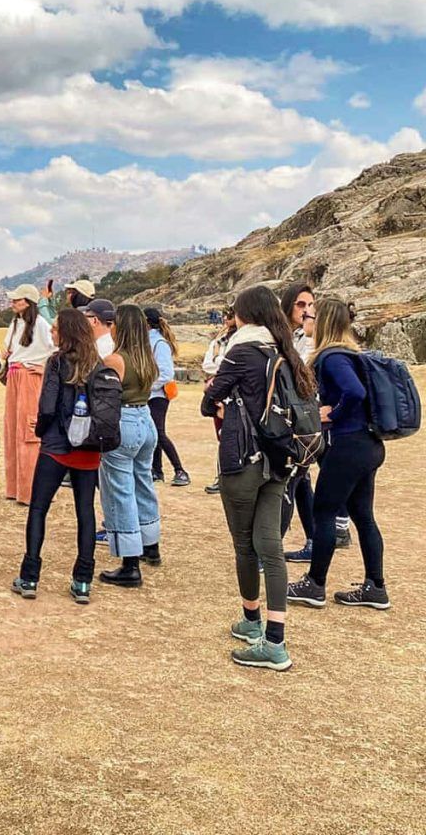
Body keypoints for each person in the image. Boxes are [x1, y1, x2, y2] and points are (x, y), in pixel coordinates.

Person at [201, 284, 315, 671]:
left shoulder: (242, 350)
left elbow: (207, 402)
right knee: (271, 545)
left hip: (244, 459)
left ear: (245, 314)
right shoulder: (286, 351)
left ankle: (252, 622)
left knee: (244, 546)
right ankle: (275, 639)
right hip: (281, 460)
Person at [287, 299, 390, 610]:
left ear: (325, 322)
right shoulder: (351, 353)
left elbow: (354, 392)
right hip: (368, 444)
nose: (306, 319)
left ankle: (315, 583)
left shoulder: (331, 357)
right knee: (362, 515)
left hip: (348, 444)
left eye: (310, 316)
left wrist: (333, 414)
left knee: (324, 511)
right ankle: (376, 586)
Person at [12, 308, 120, 603]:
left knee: (38, 508)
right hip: (88, 451)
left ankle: (30, 576)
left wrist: (43, 430)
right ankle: (82, 580)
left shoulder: (57, 362)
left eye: (56, 328)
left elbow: (47, 406)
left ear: (66, 332)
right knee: (85, 513)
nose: (51, 331)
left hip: (57, 447)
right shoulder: (97, 364)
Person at [97, 304, 161, 587]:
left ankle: (129, 561)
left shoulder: (115, 359)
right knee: (143, 482)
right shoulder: (147, 357)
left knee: (119, 490)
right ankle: (151, 544)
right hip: (146, 419)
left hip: (124, 422)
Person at [277, 282, 339, 560]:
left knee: (290, 481)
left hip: (303, 420)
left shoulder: (312, 339)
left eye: (310, 305)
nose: (306, 311)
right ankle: (314, 539)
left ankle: (271, 550)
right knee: (300, 482)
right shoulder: (286, 336)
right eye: (300, 305)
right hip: (292, 417)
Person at [2, 284, 55, 504]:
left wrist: (43, 368)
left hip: (29, 377)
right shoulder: (15, 323)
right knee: (12, 430)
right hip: (15, 375)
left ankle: (31, 490)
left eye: (17, 299)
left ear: (28, 302)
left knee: (28, 431)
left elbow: (55, 348)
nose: (13, 303)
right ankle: (15, 488)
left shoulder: (41, 324)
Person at [144, 307, 190, 486]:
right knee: (152, 433)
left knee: (159, 433)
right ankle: (157, 470)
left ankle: (180, 470)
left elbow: (166, 373)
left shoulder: (158, 343)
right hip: (151, 393)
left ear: (146, 322)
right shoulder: (149, 341)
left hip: (157, 395)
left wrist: (147, 387)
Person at [201, 306, 237, 493]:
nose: (225, 318)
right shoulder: (218, 340)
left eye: (229, 315)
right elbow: (207, 364)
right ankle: (221, 475)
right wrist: (218, 361)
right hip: (220, 393)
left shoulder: (239, 340)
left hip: (233, 393)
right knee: (221, 435)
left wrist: (217, 360)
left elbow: (231, 364)